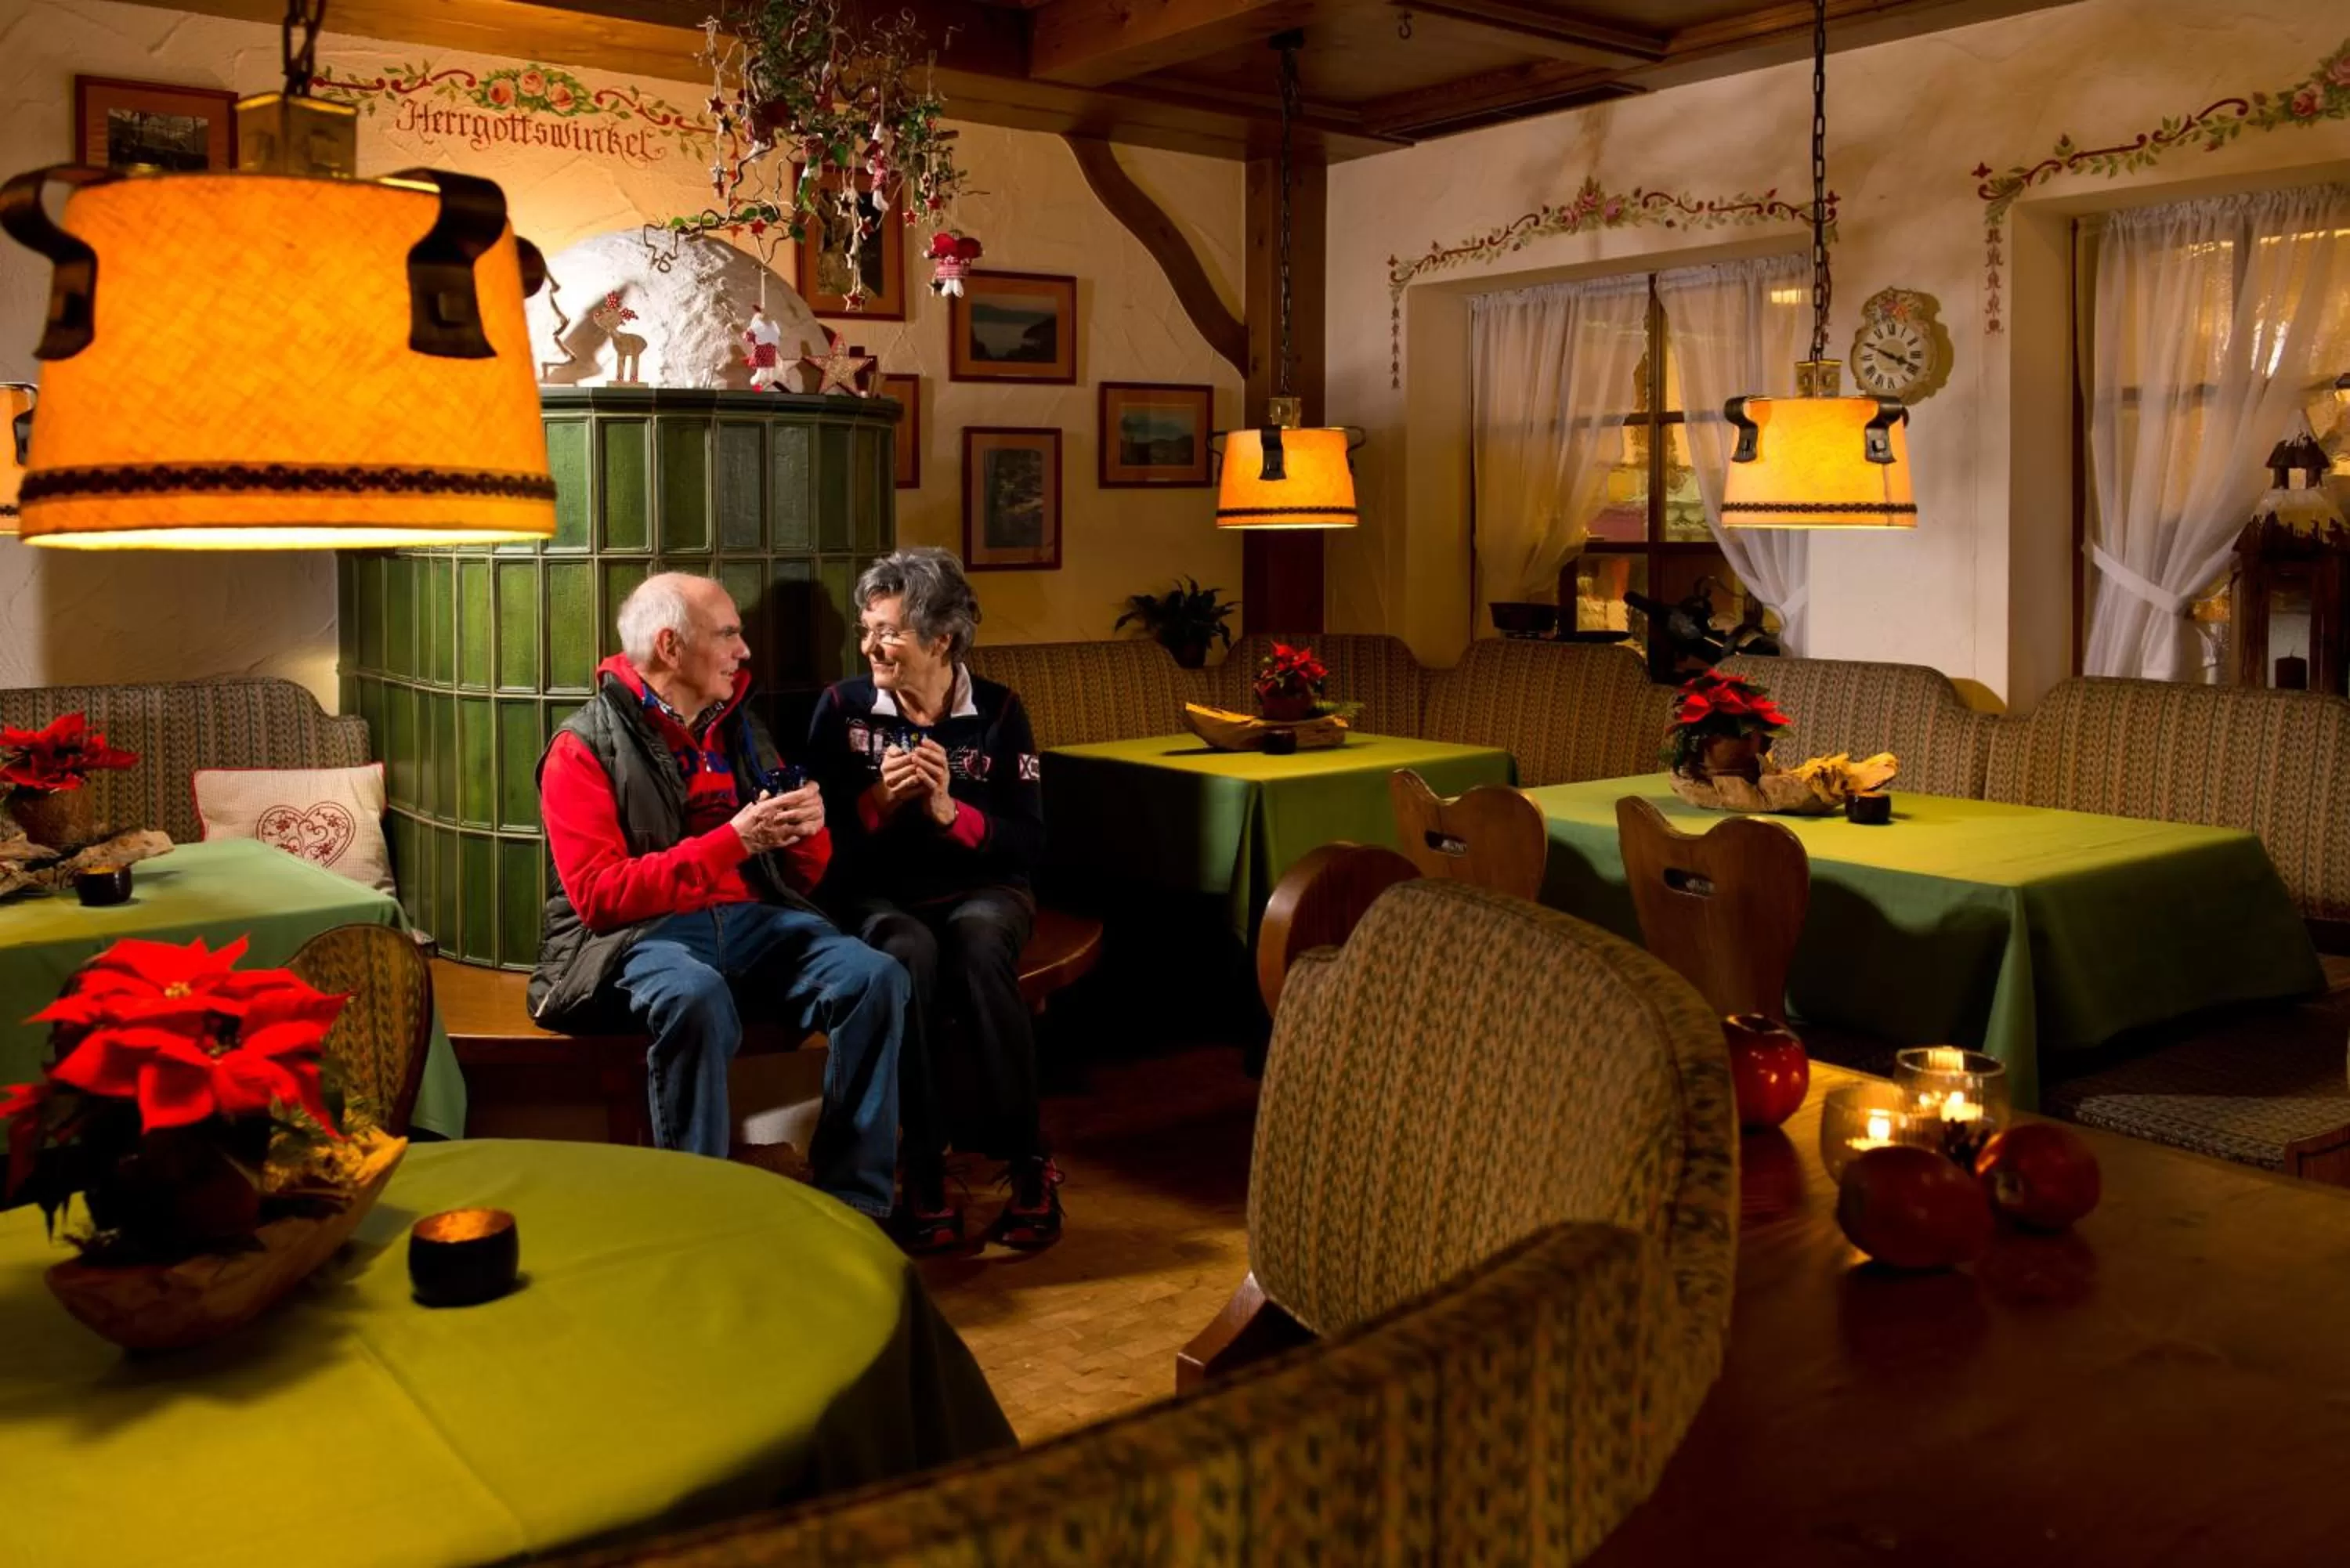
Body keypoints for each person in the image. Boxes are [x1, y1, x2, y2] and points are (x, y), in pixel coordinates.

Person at [530, 572, 907, 1223]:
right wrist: (732, 841)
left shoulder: (739, 728)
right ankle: (696, 1212)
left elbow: (802, 875)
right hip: (638, 937)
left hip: (751, 921)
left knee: (875, 978)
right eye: (729, 634)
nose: (745, 651)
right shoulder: (581, 747)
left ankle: (856, 1203)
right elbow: (598, 899)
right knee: (694, 999)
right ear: (672, 647)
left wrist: (807, 830)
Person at [806, 548, 1058, 1251]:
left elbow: (1028, 844)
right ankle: (924, 1164)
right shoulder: (841, 710)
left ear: (941, 638)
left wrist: (951, 812)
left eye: (887, 630)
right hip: (878, 896)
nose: (870, 646)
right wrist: (881, 800)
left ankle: (1027, 1160)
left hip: (984, 890)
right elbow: (817, 848)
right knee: (904, 953)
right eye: (867, 629)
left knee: (979, 946)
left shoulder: (1001, 712)